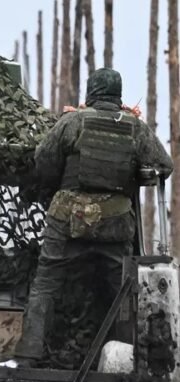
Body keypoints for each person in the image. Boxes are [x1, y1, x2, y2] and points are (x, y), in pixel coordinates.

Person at [14, 68, 173, 366]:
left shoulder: (72, 122)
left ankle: (28, 355)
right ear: (118, 96)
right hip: (115, 224)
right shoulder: (135, 128)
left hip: (67, 220)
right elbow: (164, 165)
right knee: (123, 292)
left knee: (46, 284)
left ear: (90, 92)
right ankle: (128, 357)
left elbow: (43, 161)